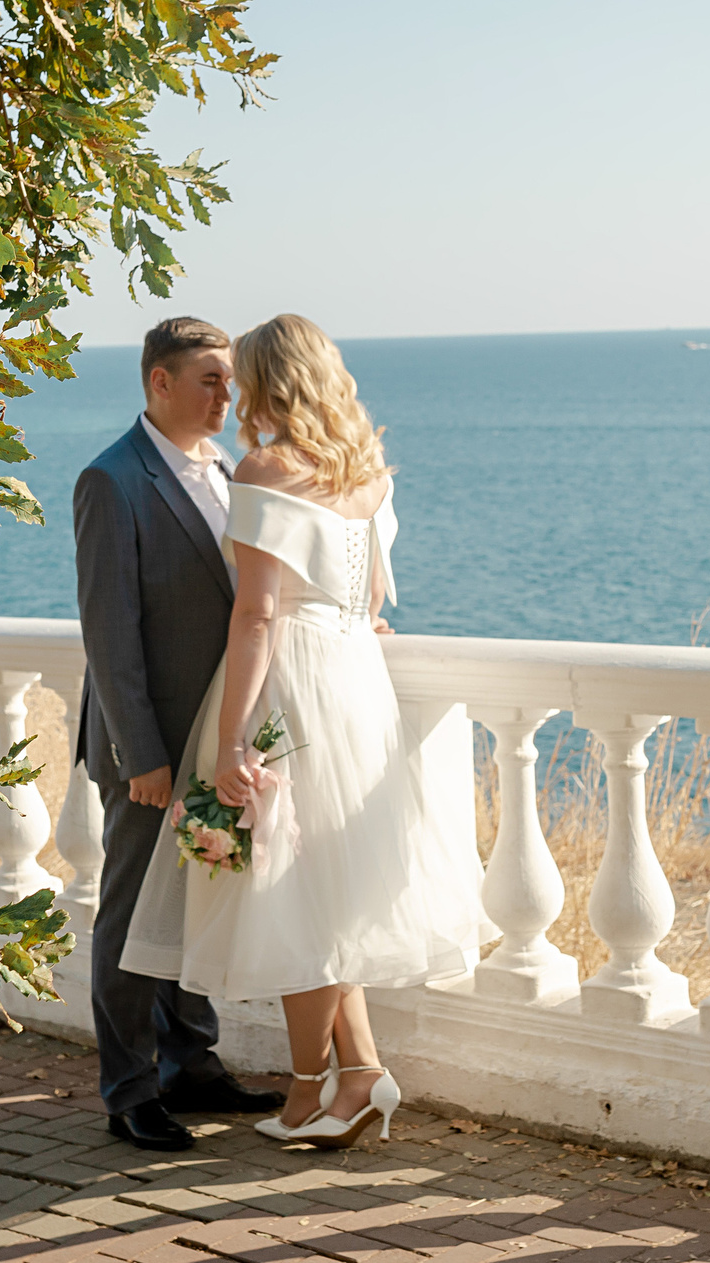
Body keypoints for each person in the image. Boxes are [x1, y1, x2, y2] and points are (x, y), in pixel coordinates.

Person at [122, 314, 491, 1150]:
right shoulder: (366, 474)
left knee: (291, 891)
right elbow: (367, 603)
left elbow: (255, 615)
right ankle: (360, 1073)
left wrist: (232, 738)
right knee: (328, 891)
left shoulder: (266, 468)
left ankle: (305, 1092)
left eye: (242, 376)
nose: (236, 393)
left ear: (267, 379)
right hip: (356, 678)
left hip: (292, 684)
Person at [73, 317, 284, 1152]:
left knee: (195, 900)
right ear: (158, 382)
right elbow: (110, 634)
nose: (227, 394)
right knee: (129, 917)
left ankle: (190, 1062)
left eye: (229, 379)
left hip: (213, 737)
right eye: (208, 379)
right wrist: (142, 755)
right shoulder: (111, 480)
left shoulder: (230, 469)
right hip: (151, 746)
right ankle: (129, 1090)